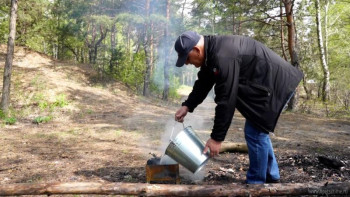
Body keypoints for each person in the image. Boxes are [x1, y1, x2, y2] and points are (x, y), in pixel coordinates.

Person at [174, 31, 303, 184]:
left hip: (277, 85)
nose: (187, 63)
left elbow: (226, 100)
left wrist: (216, 138)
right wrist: (188, 105)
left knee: (255, 133)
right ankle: (271, 175)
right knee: (258, 131)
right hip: (266, 87)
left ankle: (256, 184)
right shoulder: (212, 53)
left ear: (196, 50)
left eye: (187, 58)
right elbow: (204, 81)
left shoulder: (223, 56)